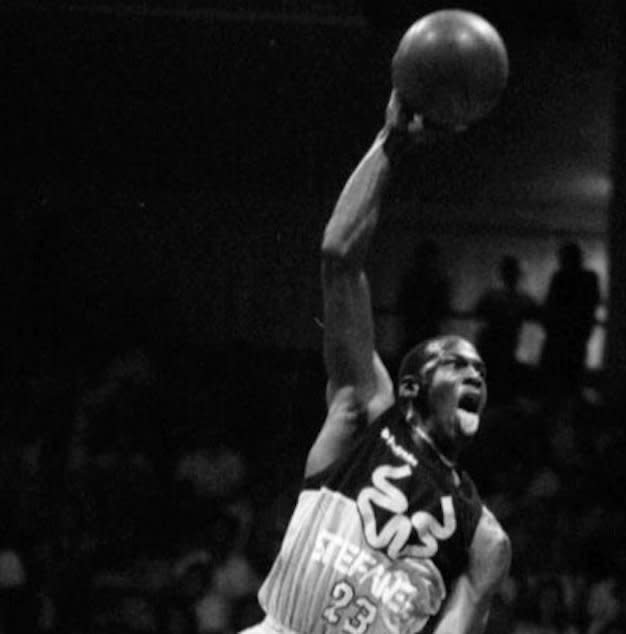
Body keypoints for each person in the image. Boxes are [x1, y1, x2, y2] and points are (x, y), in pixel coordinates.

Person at [242, 92, 511, 634]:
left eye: (480, 369)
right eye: (455, 364)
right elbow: (340, 258)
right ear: (411, 387)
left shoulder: (486, 539)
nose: (476, 373)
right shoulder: (366, 412)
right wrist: (390, 143)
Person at [539, 242, 600, 400]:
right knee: (571, 378)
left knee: (556, 379)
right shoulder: (588, 278)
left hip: (561, 337)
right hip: (575, 337)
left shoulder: (561, 278)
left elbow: (551, 305)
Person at [474, 256, 539, 403]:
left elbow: (479, 312)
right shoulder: (521, 299)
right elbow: (536, 312)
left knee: (494, 380)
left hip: (494, 342)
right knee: (501, 379)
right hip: (504, 342)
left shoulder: (493, 296)